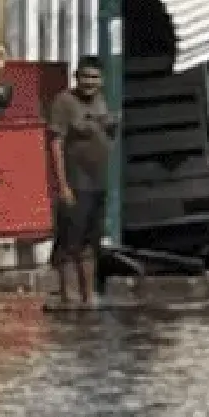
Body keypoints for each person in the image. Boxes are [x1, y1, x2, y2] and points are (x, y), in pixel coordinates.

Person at [47, 57, 118, 309]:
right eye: (85, 77)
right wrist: (62, 185)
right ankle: (69, 298)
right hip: (75, 184)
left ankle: (89, 298)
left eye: (95, 78)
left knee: (90, 244)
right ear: (77, 77)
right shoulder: (64, 102)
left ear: (102, 80)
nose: (90, 82)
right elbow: (55, 144)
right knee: (69, 244)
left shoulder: (102, 101)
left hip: (98, 183)